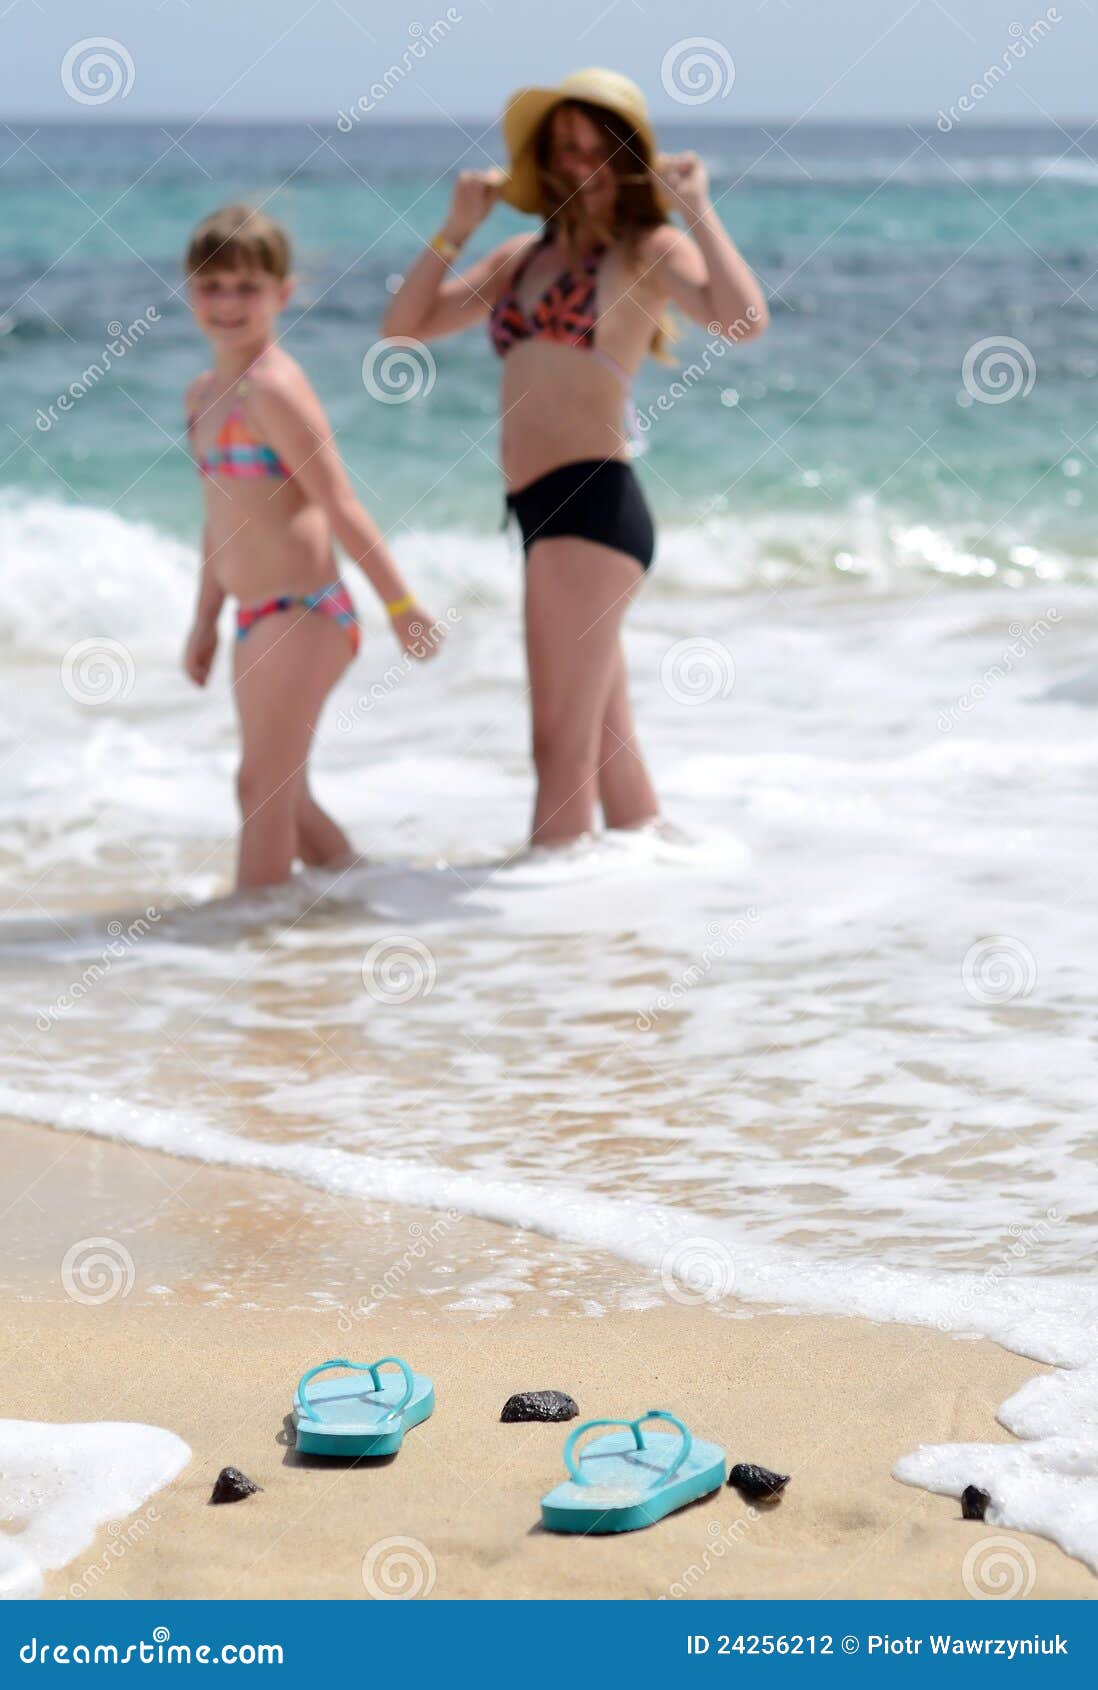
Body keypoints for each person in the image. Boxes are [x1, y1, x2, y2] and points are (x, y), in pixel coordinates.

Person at [382, 68, 768, 849]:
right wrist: (456, 227)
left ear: (626, 157)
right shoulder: (521, 259)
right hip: (540, 516)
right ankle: (644, 910)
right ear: (545, 161)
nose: (582, 164)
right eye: (565, 149)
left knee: (557, 747)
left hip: (593, 506)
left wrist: (697, 210)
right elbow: (404, 328)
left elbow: (743, 320)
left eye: (599, 147)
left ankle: (537, 941)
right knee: (608, 754)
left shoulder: (647, 251)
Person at [182, 205, 437, 890]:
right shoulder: (203, 396)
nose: (228, 303)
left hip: (306, 612)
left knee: (261, 788)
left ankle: (249, 949)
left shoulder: (274, 389)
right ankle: (358, 895)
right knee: (278, 793)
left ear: (282, 295)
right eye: (212, 286)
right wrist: (204, 619)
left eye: (247, 288)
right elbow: (219, 519)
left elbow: (339, 504)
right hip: (251, 616)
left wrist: (401, 603)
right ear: (188, 291)